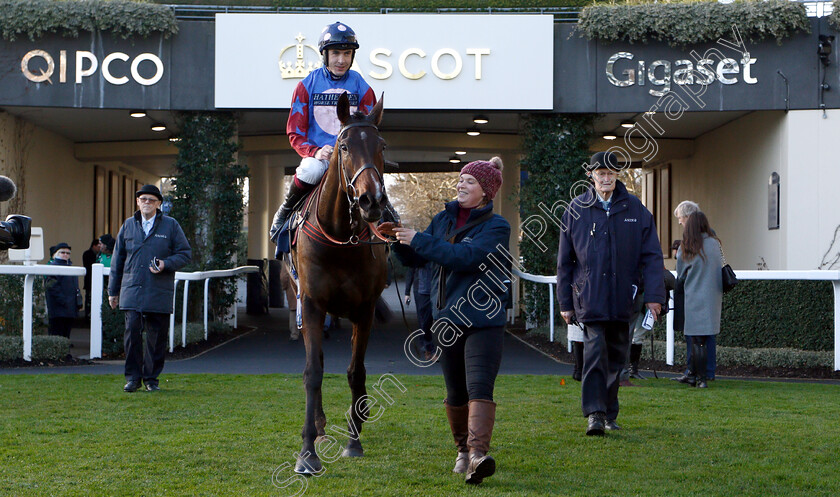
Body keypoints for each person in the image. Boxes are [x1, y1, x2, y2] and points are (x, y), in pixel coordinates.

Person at [388, 157, 511, 485]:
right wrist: (396, 239)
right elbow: (420, 255)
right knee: (455, 391)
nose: (461, 184)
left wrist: (419, 240)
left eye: (470, 181)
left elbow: (466, 258)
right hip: (449, 322)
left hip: (485, 320)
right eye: (460, 179)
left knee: (479, 387)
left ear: (485, 192)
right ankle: (461, 450)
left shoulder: (497, 226)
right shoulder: (442, 220)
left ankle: (476, 457)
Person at [557, 151, 666, 436]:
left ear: (618, 175)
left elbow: (652, 256)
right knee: (594, 354)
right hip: (589, 298)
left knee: (617, 357)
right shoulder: (575, 209)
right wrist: (565, 303)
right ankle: (594, 413)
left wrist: (655, 297)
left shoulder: (636, 210)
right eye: (600, 173)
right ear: (590, 175)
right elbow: (565, 261)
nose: (606, 178)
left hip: (623, 298)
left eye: (610, 173)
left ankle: (609, 413)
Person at [270, 21, 397, 241]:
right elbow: (295, 132)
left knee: (372, 173)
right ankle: (285, 213)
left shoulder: (362, 87)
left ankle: (390, 219)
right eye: (336, 53)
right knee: (309, 170)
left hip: (352, 159)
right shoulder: (305, 86)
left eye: (347, 54)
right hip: (320, 158)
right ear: (325, 55)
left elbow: (368, 131)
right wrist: (315, 152)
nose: (341, 60)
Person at [109, 185, 191, 393]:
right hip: (131, 290)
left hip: (158, 290)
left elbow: (185, 254)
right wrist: (113, 291)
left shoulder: (171, 226)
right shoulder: (128, 226)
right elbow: (117, 260)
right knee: (132, 335)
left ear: (158, 204)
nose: (146, 202)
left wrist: (166, 264)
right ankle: (133, 379)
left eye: (151, 200)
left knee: (156, 337)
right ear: (137, 202)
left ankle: (151, 379)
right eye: (143, 199)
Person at [673, 211, 723, 389]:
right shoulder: (715, 244)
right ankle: (698, 375)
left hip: (694, 295)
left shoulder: (688, 245)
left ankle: (698, 378)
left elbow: (680, 273)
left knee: (696, 339)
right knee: (705, 337)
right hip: (713, 297)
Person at [45, 242, 80, 339]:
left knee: (66, 333)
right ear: (56, 253)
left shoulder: (70, 267)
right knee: (57, 333)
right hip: (58, 309)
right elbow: (52, 287)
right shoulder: (53, 267)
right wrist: (63, 301)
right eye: (62, 252)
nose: (65, 255)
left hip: (69, 308)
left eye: (68, 253)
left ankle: (65, 352)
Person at [404, 262, 435, 360]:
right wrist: (407, 292)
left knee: (438, 320)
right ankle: (428, 348)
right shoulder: (418, 250)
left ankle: (432, 348)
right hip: (421, 290)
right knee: (424, 321)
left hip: (436, 288)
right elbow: (411, 270)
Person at [82, 239, 100, 318]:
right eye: (98, 246)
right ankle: (87, 315)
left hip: (93, 280)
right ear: (94, 246)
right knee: (89, 298)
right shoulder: (87, 254)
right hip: (90, 280)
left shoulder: (99, 255)